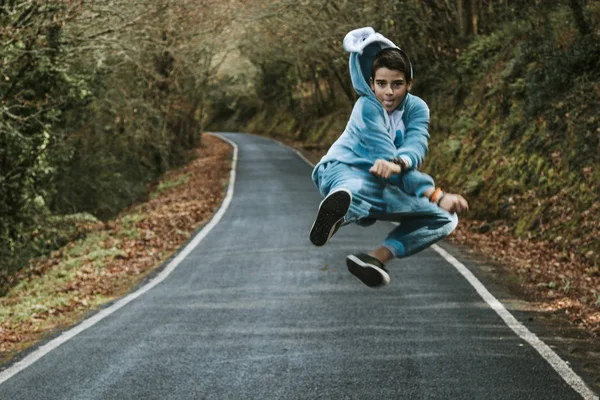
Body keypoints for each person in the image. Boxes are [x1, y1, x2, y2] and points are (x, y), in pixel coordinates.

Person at [309, 27, 469, 288]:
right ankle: (339, 212)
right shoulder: (366, 108)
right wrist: (436, 194)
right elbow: (386, 155)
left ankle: (374, 259)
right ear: (371, 83)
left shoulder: (416, 108)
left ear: (409, 83)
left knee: (444, 218)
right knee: (352, 188)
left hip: (383, 183)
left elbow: (416, 145)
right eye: (381, 84)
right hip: (340, 170)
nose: (389, 93)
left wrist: (402, 165)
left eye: (397, 84)